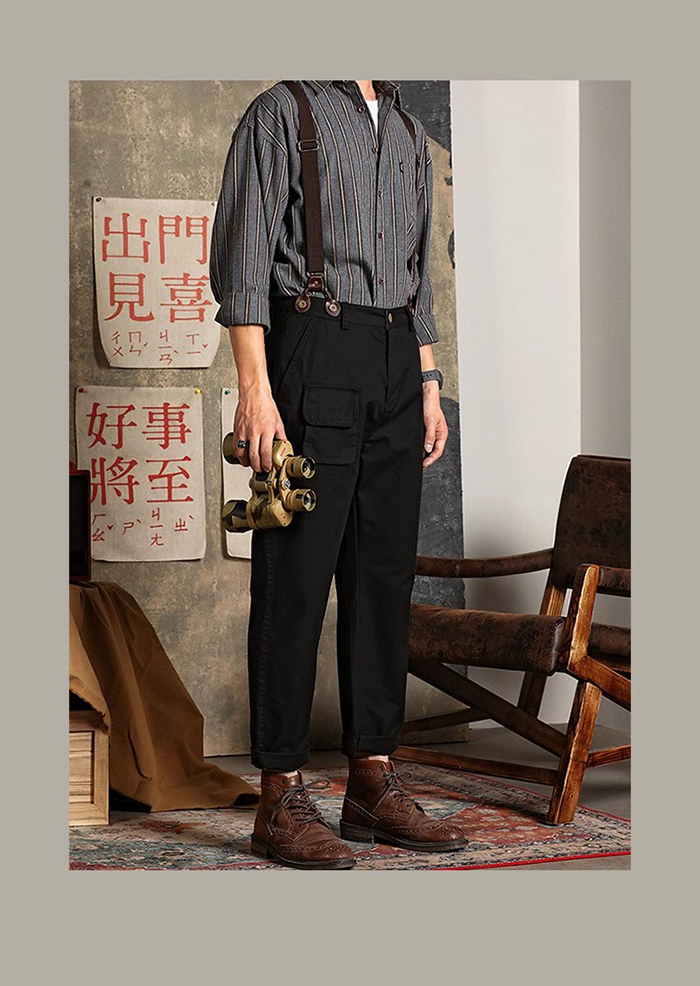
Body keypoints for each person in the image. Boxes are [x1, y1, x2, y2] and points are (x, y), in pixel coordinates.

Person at [210, 80, 467, 869]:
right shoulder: (282, 112)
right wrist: (255, 391)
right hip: (310, 349)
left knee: (382, 581)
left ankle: (372, 782)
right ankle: (280, 795)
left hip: (396, 362)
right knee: (294, 577)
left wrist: (429, 380)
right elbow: (244, 260)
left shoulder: (411, 132)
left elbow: (416, 272)